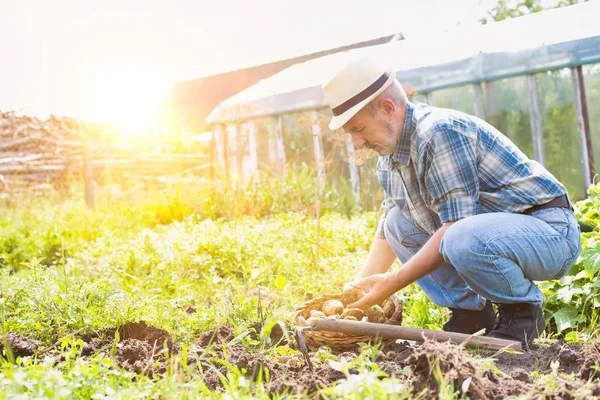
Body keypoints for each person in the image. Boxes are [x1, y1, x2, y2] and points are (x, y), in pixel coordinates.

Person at [321, 57, 582, 348]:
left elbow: (456, 225)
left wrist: (393, 281)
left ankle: (521, 313)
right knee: (397, 222)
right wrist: (355, 297)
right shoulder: (390, 159)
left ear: (387, 108)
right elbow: (387, 231)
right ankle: (470, 313)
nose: (357, 143)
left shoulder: (439, 132)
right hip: (497, 235)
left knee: (459, 234)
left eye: (359, 129)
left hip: (549, 232)